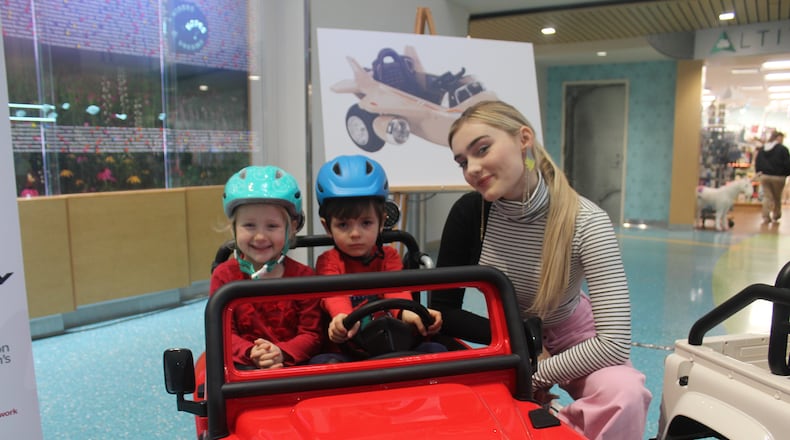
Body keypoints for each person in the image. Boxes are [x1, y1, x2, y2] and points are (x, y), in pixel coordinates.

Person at [431, 100, 651, 440]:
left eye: (482, 149)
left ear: (524, 139)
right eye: (463, 161)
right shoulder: (468, 215)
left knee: (625, 395)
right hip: (509, 337)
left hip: (574, 335)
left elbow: (614, 344)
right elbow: (443, 310)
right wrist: (523, 344)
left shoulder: (587, 222)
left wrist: (534, 373)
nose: (472, 168)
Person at [312, 155, 443, 362]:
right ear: (327, 227)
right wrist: (342, 318)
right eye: (343, 225)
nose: (355, 234)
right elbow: (334, 295)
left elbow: (396, 289)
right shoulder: (328, 261)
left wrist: (406, 313)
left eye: (366, 223)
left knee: (437, 350)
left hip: (392, 344)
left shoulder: (388, 256)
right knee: (323, 364)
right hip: (347, 350)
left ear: (382, 222)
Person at [210, 165, 323, 369]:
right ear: (233, 227)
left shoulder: (304, 277)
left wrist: (282, 353)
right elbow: (222, 332)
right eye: (249, 225)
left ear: (291, 228)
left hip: (293, 365)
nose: (260, 236)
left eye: (272, 226)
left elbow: (312, 334)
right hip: (243, 365)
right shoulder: (224, 276)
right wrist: (252, 352)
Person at [755, 131, 790, 224]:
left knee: (767, 196)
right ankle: (776, 215)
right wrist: (786, 173)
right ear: (778, 138)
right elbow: (787, 163)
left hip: (765, 176)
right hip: (778, 177)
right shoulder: (783, 149)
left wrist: (759, 173)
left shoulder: (763, 149)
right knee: (777, 197)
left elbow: (757, 162)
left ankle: (766, 216)